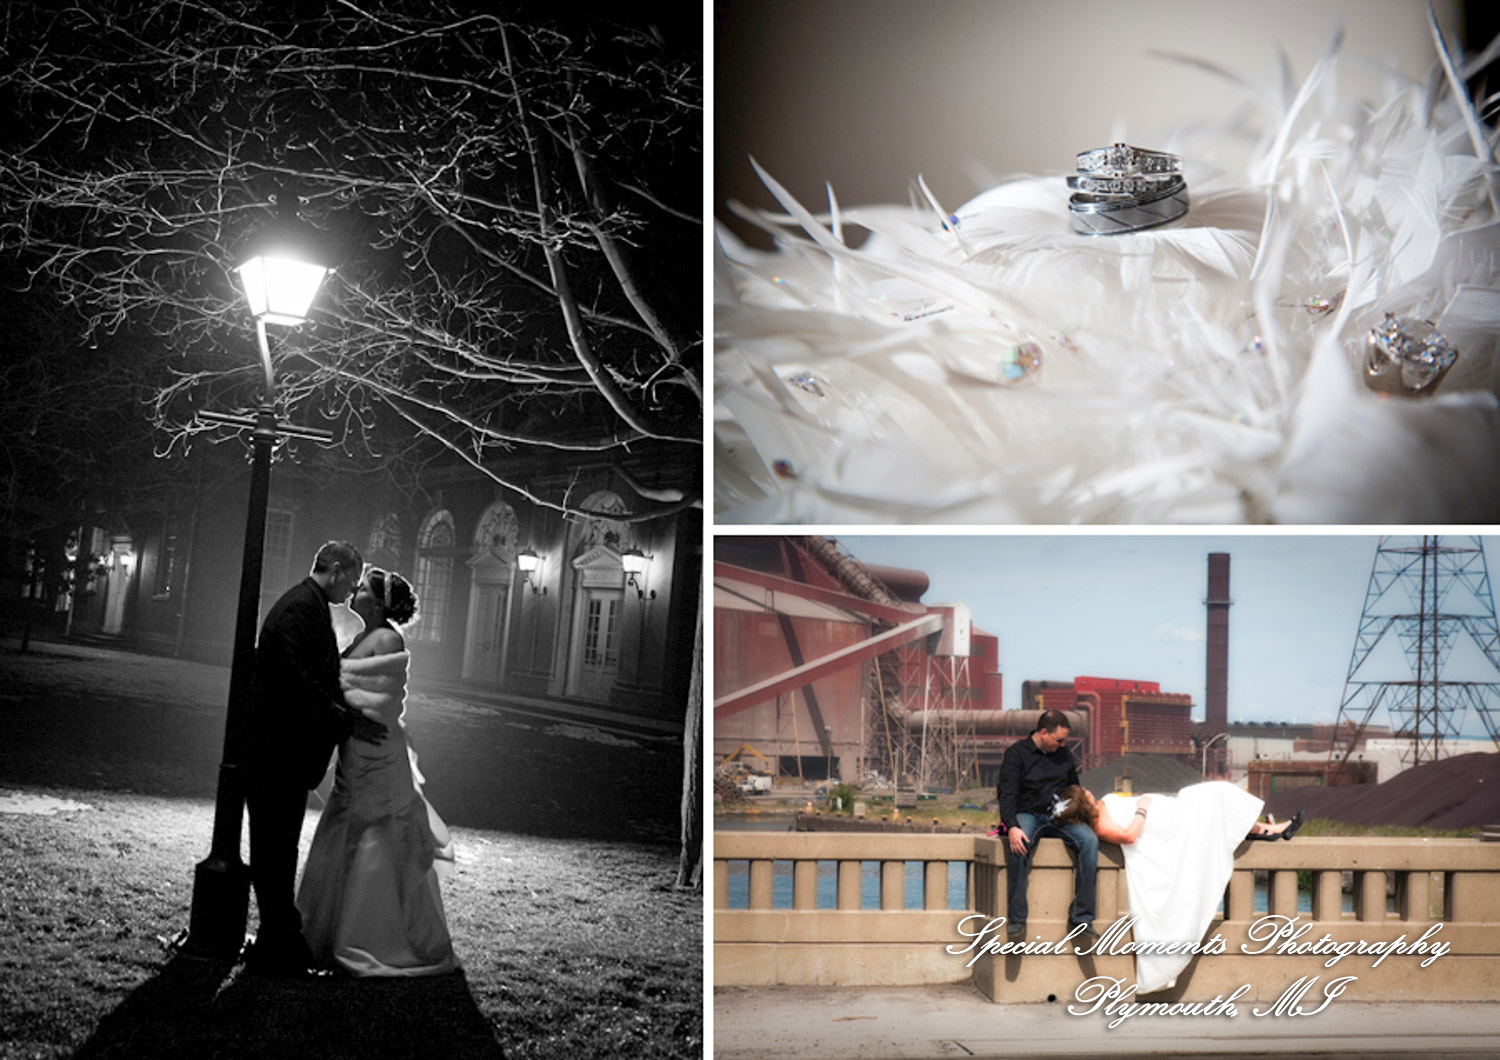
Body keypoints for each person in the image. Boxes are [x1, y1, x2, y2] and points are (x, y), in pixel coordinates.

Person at [296, 567, 458, 976]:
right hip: (357, 748)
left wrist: (327, 697)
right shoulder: (363, 637)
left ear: (381, 602)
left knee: (373, 834)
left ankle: (369, 935)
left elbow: (374, 700)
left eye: (366, 587)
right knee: (345, 825)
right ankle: (326, 929)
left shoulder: (386, 638)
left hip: (376, 752)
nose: (358, 589)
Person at [245, 540, 369, 977]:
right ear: (334, 569)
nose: (353, 589)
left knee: (276, 849)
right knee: (276, 850)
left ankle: (274, 941)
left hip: (278, 754)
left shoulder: (306, 605)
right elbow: (295, 681)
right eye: (352, 578)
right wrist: (338, 718)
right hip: (277, 754)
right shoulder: (301, 608)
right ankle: (283, 945)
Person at [1051, 780, 1304, 994]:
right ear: (1083, 802)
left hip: (1170, 809)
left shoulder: (1100, 807)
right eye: (1084, 792)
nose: (1088, 790)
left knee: (1212, 793)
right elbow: (1129, 836)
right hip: (1164, 823)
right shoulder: (1100, 824)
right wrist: (1142, 808)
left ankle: (1265, 829)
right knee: (1213, 799)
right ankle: (1268, 829)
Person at [996, 710, 1098, 943]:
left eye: (1064, 740)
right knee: (1019, 845)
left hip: (1059, 815)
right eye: (1059, 740)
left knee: (1089, 841)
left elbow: (1073, 787)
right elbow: (1006, 794)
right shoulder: (1016, 754)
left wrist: (1083, 800)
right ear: (1044, 733)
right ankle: (1017, 920)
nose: (1063, 745)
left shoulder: (1063, 755)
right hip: (1027, 813)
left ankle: (1081, 918)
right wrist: (1011, 826)